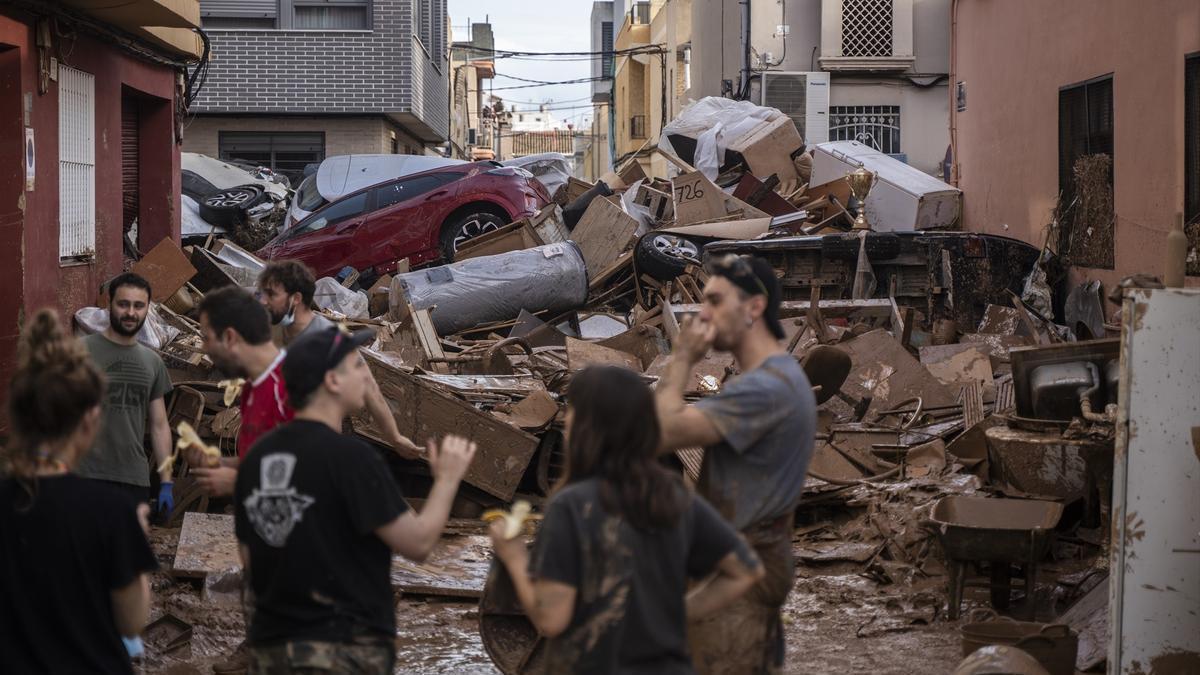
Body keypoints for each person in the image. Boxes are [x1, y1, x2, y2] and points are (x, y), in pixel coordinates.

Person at [235, 324, 477, 673]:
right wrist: (448, 480)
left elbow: (249, 556)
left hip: (273, 650)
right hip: (343, 651)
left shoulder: (257, 458)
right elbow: (419, 543)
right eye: (357, 365)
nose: (366, 375)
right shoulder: (353, 459)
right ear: (332, 381)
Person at [490, 365, 763, 674]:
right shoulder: (674, 493)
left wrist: (514, 558)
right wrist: (679, 613)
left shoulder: (572, 506)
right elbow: (745, 570)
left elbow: (551, 620)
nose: (567, 423)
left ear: (589, 428)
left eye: (573, 412)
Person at [653, 254, 817, 675]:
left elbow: (661, 431)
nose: (703, 314)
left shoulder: (765, 389)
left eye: (715, 301)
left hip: (741, 569)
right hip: (749, 556)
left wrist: (682, 357)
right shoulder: (778, 375)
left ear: (754, 307)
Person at [0, 309, 157, 673]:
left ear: (19, 419)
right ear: (89, 421)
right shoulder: (111, 511)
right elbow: (132, 621)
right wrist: (136, 540)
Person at [257, 259, 421, 459]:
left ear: (296, 299)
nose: (264, 301)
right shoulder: (272, 331)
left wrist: (395, 437)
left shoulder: (328, 338)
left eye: (271, 295)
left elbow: (369, 387)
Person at [75, 272, 175, 517]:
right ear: (109, 305)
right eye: (123, 304)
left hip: (133, 480)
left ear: (147, 309)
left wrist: (166, 482)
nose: (131, 312)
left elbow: (160, 426)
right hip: (83, 475)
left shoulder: (152, 362)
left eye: (138, 306)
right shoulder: (78, 352)